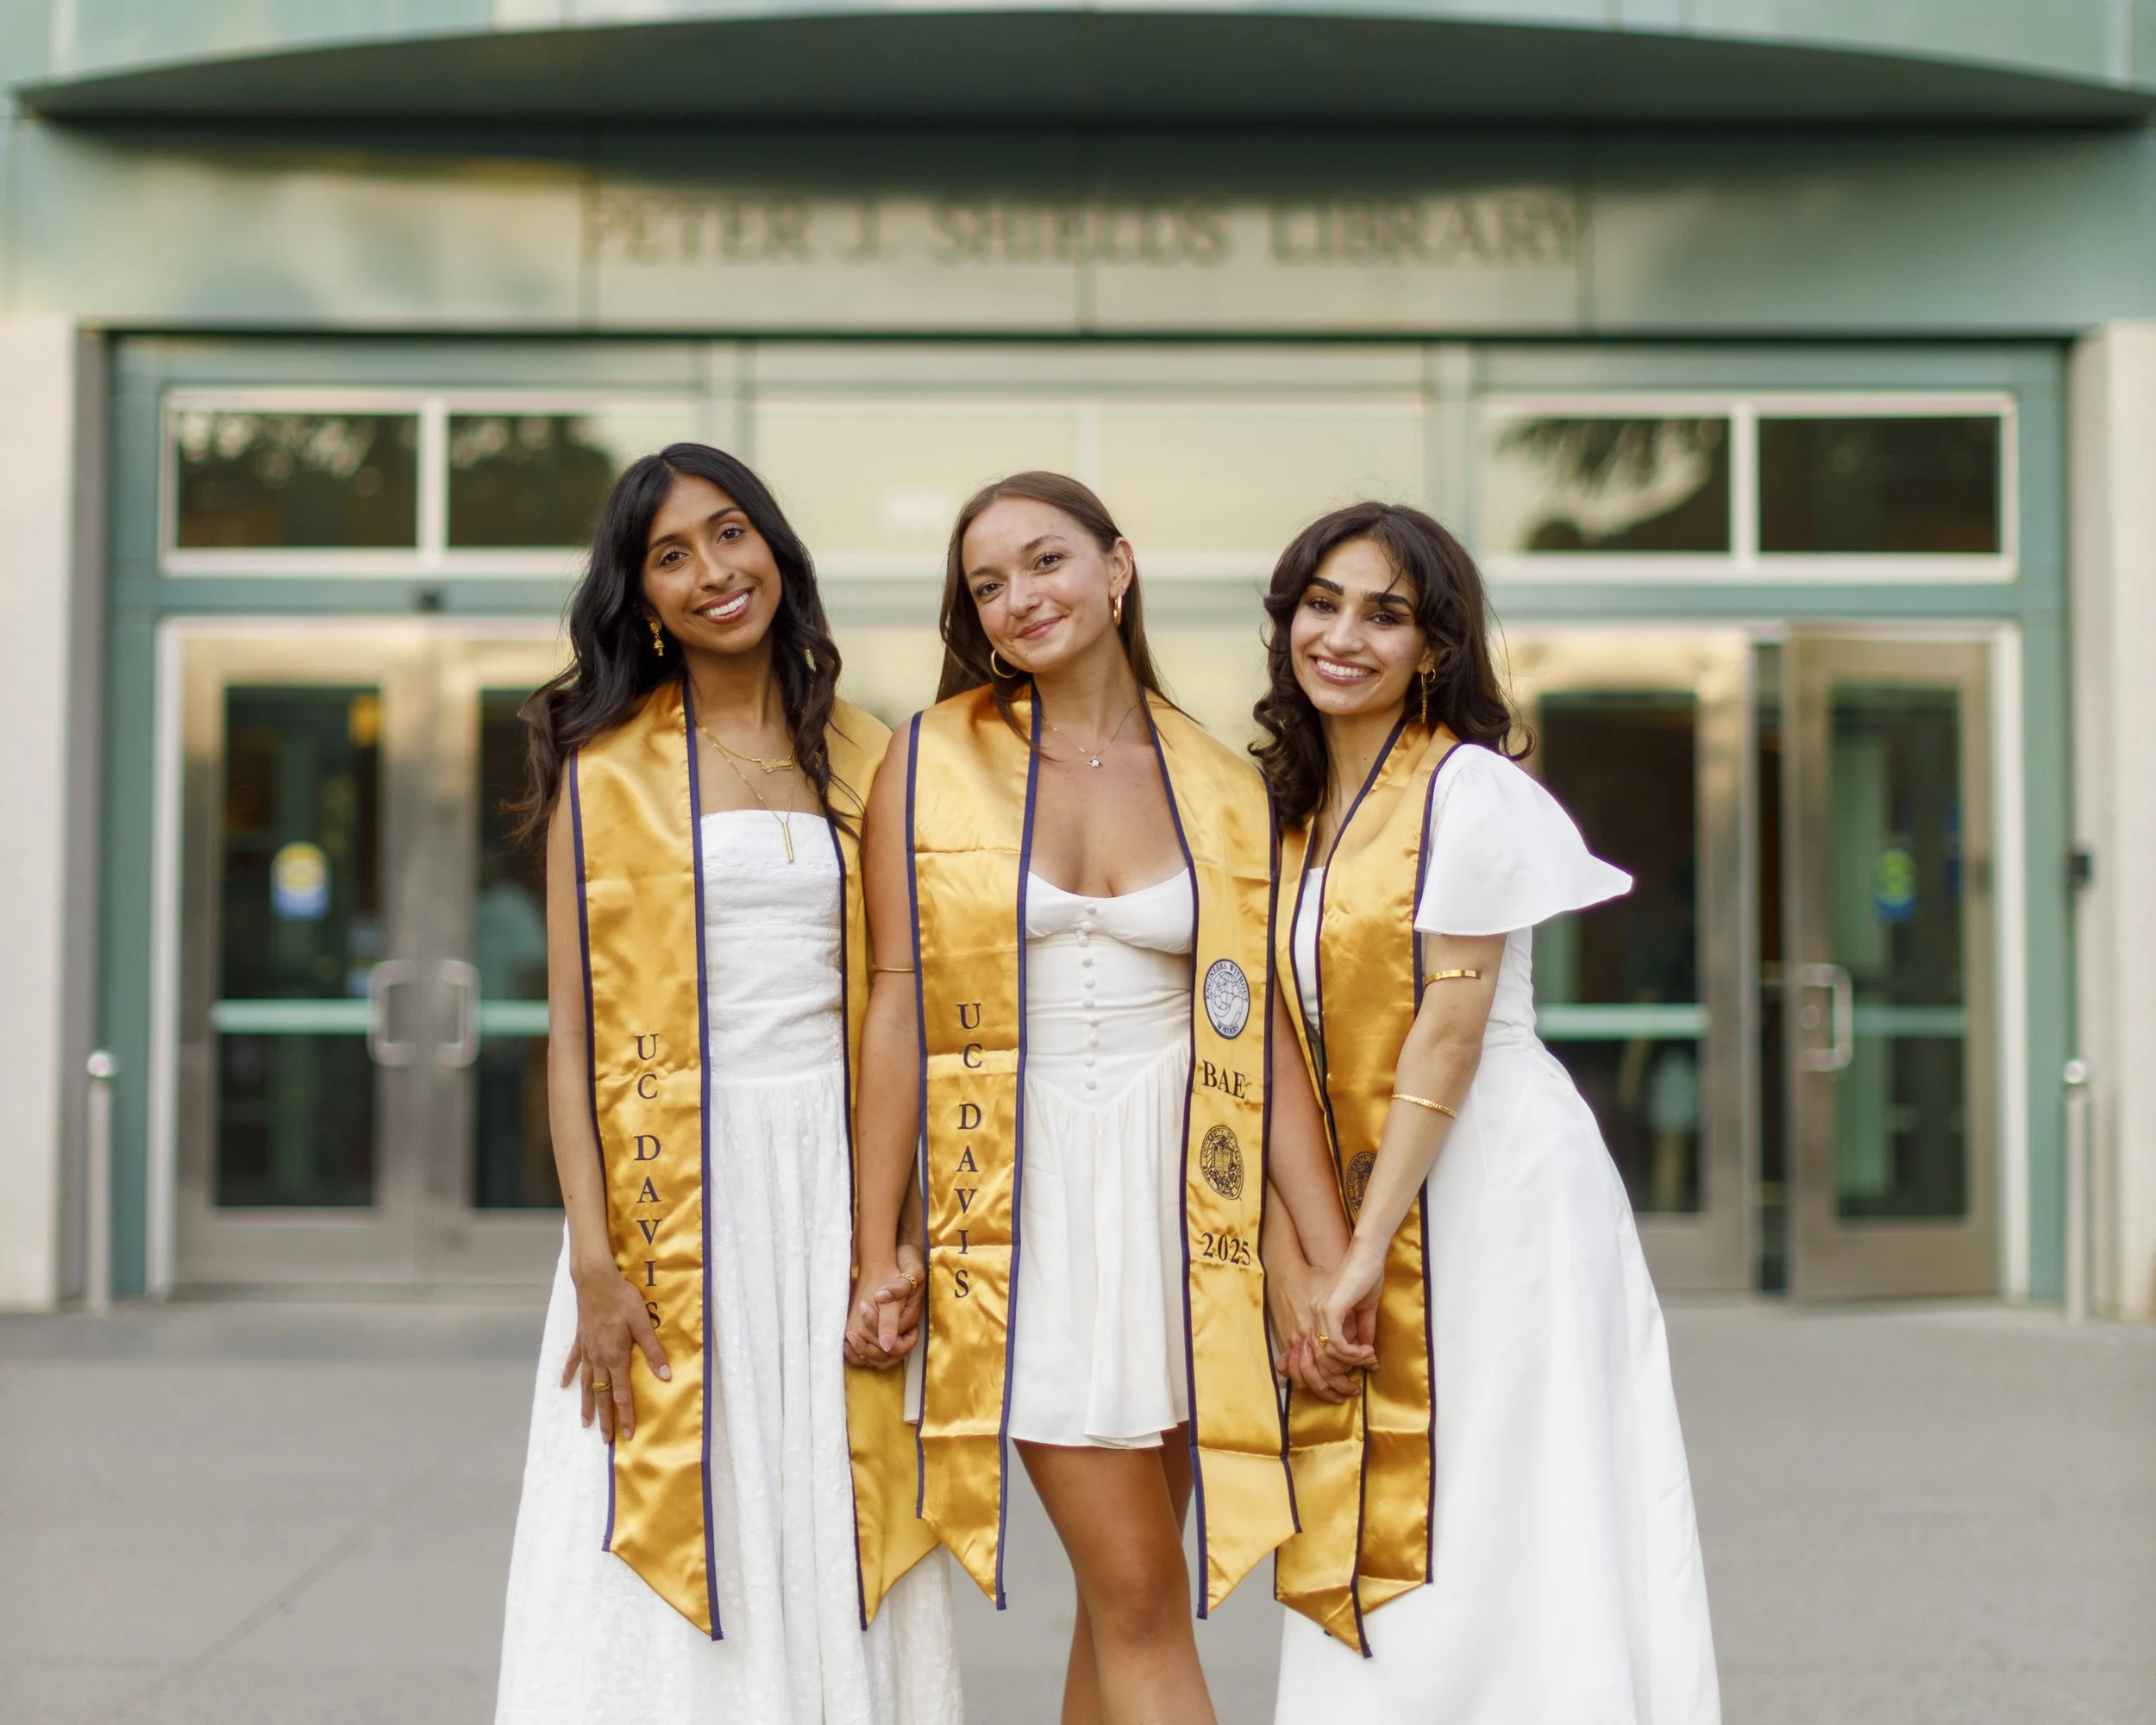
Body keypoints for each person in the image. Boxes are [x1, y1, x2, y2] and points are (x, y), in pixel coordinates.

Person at [843, 472, 1357, 1725]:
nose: (1019, 598)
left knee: (1126, 1600)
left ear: (1118, 567)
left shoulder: (1223, 779)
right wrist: (877, 1244)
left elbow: (1258, 1030)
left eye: (1045, 562)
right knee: (1136, 1590)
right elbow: (897, 1004)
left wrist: (1325, 1251)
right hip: (1019, 1200)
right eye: (987, 584)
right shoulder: (932, 755)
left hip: (1187, 1200)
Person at [494, 443, 962, 1725]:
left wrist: (895, 1233)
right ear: (641, 599)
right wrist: (593, 1255)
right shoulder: (610, 763)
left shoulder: (868, 756)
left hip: (830, 1173)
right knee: (657, 1502)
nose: (713, 571)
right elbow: (573, 1037)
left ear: (776, 550)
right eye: (672, 555)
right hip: (669, 1190)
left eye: (731, 534)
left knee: (827, 1489)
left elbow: (898, 999)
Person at [1261, 502, 1721, 1723]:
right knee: (1395, 1478)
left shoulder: (1471, 791)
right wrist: (1298, 1252)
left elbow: (1449, 1033)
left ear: (1437, 648)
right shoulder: (1294, 814)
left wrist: (1361, 1248)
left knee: (1513, 1489)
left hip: (1494, 1187)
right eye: (1322, 602)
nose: (1344, 635)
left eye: (1386, 614)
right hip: (1375, 1182)